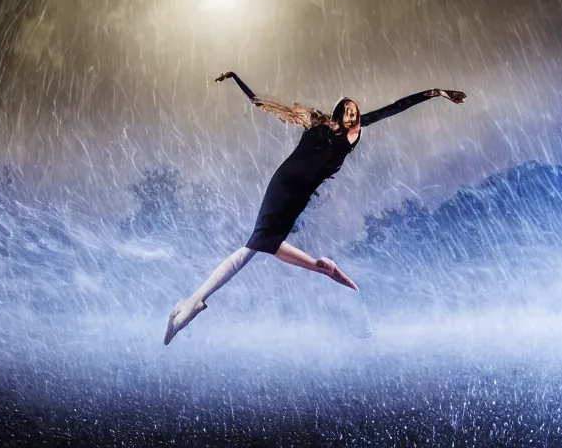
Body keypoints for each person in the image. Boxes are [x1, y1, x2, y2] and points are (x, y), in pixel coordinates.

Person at [163, 71, 466, 344]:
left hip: (299, 196)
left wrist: (437, 92)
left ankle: (191, 304)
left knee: (262, 245)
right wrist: (235, 78)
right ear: (337, 111)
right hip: (283, 185)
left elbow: (398, 106)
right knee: (254, 246)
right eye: (346, 108)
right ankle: (192, 305)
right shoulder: (319, 123)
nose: (352, 112)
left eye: (355, 110)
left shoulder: (355, 132)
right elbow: (262, 102)